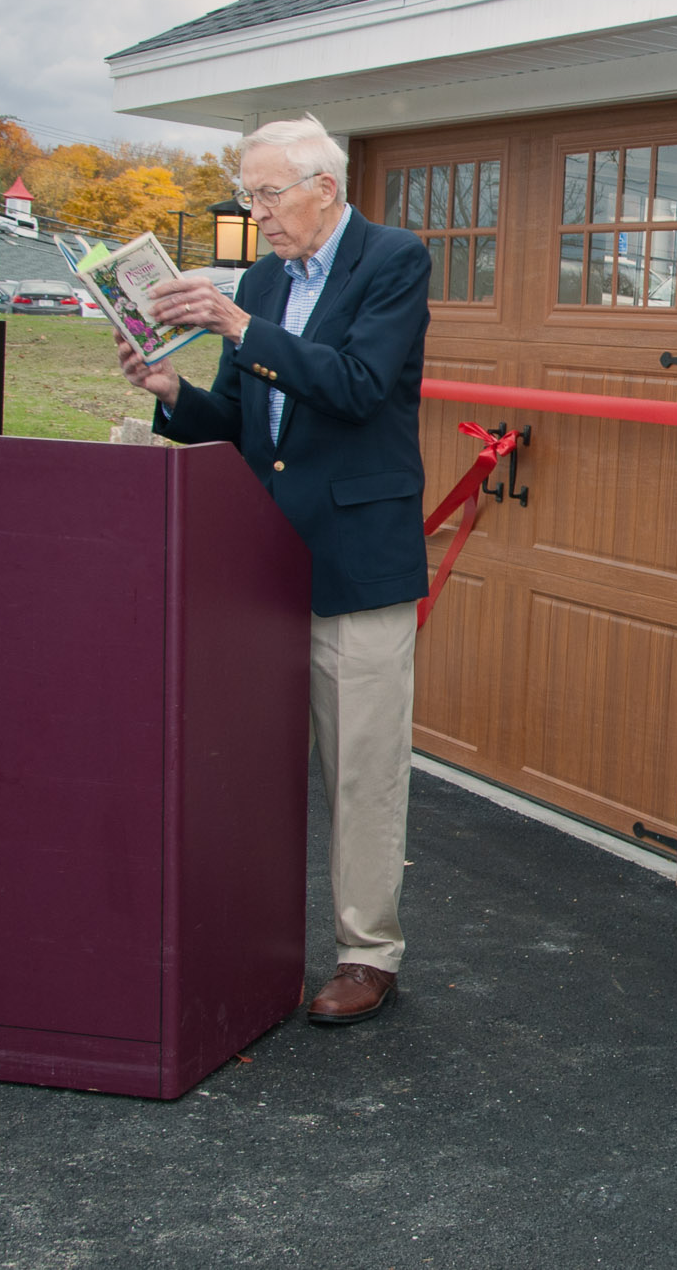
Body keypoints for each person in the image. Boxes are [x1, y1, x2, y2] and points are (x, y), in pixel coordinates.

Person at [116, 114, 432, 1027]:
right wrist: (173, 394)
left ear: (323, 189)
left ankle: (368, 952)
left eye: (265, 194)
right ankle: (250, 945)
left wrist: (239, 323)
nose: (254, 213)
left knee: (361, 768)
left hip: (357, 565)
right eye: (248, 194)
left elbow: (357, 385)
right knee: (251, 765)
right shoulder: (259, 280)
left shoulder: (394, 261)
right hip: (258, 562)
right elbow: (249, 429)